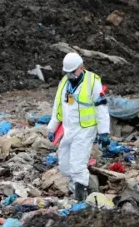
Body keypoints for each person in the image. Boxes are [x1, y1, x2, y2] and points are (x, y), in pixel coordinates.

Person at [47, 52, 110, 201]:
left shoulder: (92, 82)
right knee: (64, 165)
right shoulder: (64, 82)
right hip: (69, 129)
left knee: (77, 165)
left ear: (81, 68)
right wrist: (52, 127)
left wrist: (104, 132)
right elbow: (58, 106)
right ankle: (89, 186)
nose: (70, 76)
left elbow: (101, 107)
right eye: (67, 73)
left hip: (85, 129)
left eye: (72, 73)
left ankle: (81, 199)